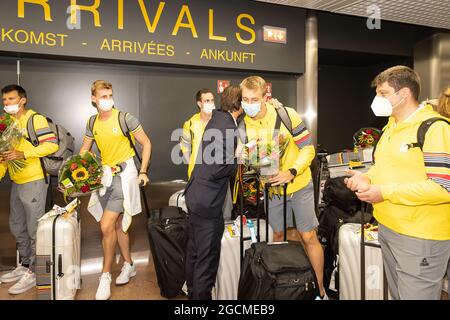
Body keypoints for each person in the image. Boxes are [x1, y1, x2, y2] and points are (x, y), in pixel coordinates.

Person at [345, 66, 450, 300]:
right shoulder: (390, 127)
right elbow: (384, 167)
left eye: (383, 93)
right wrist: (367, 177)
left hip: (421, 236)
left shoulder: (434, 128)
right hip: (389, 228)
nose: (376, 99)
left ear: (403, 94)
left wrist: (384, 192)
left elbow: (444, 187)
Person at [238, 76, 326, 299]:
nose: (249, 103)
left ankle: (319, 290)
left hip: (299, 183)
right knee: (277, 235)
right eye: (245, 99)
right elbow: (251, 158)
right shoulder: (242, 123)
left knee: (308, 237)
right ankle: (283, 287)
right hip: (272, 190)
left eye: (254, 99)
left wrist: (292, 171)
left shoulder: (287, 114)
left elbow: (308, 148)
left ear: (265, 97)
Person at [80, 80, 152, 300]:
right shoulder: (92, 122)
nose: (107, 100)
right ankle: (129, 264)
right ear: (93, 99)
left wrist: (142, 171)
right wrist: (76, 168)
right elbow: (85, 149)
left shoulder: (125, 118)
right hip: (105, 177)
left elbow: (146, 143)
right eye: (102, 96)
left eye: (110, 95)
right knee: (119, 225)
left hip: (125, 175)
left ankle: (105, 276)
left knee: (105, 225)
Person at [184, 86, 242, 300]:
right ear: (239, 105)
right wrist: (238, 158)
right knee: (206, 261)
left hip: (196, 196)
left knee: (194, 252)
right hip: (207, 204)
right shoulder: (227, 126)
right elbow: (220, 168)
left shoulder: (216, 119)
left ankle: (191, 294)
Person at [0, 85, 59, 295]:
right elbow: (6, 156)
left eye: (11, 99)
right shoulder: (7, 123)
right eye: (4, 100)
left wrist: (24, 154)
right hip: (17, 181)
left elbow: (51, 145)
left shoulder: (35, 120)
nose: (7, 103)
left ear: (22, 100)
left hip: (34, 180)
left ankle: (36, 272)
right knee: (17, 226)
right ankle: (25, 264)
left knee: (35, 230)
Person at [180, 89, 215, 180]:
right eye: (207, 101)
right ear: (199, 104)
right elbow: (184, 147)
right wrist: (192, 164)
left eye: (212, 100)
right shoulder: (190, 123)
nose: (211, 103)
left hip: (216, 174)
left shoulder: (219, 121)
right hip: (196, 175)